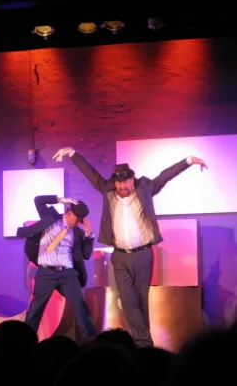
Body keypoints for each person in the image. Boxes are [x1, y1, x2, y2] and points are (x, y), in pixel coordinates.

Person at [53, 146, 208, 347]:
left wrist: (189, 160)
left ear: (132, 179)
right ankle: (144, 342)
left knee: (141, 300)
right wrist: (72, 153)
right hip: (120, 257)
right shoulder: (108, 190)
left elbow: (165, 175)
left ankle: (142, 342)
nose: (122, 185)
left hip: (143, 254)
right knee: (127, 300)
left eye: (126, 181)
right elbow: (91, 173)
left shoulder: (146, 188)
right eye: (119, 182)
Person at [17, 195, 97, 340]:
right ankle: (26, 341)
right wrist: (62, 200)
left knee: (81, 306)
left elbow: (86, 255)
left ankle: (91, 341)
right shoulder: (50, 218)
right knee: (35, 309)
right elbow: (38, 200)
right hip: (46, 272)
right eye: (77, 219)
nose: (78, 223)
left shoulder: (77, 232)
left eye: (81, 221)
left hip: (67, 273)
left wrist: (88, 233)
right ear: (69, 213)